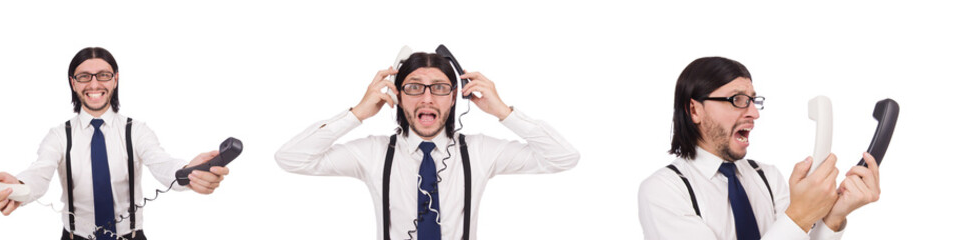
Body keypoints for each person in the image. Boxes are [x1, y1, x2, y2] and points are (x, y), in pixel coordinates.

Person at [275, 51, 579, 240]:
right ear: (397, 95)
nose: (427, 98)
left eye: (440, 88)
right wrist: (357, 113)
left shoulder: (480, 151)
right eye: (414, 87)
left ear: (455, 97)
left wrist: (503, 111)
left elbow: (563, 158)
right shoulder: (374, 153)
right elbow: (290, 158)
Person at [0, 47, 231, 240]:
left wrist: (187, 173)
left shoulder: (137, 131)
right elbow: (39, 173)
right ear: (73, 82)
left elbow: (161, 162)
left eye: (103, 75)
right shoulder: (58, 135)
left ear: (115, 79)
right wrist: (19, 188)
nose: (95, 84)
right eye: (84, 76)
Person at [638, 57, 882, 239]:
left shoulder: (767, 177)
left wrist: (834, 216)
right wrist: (799, 215)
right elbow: (794, 225)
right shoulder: (663, 191)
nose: (753, 113)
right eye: (737, 100)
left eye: (753, 100)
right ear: (694, 110)